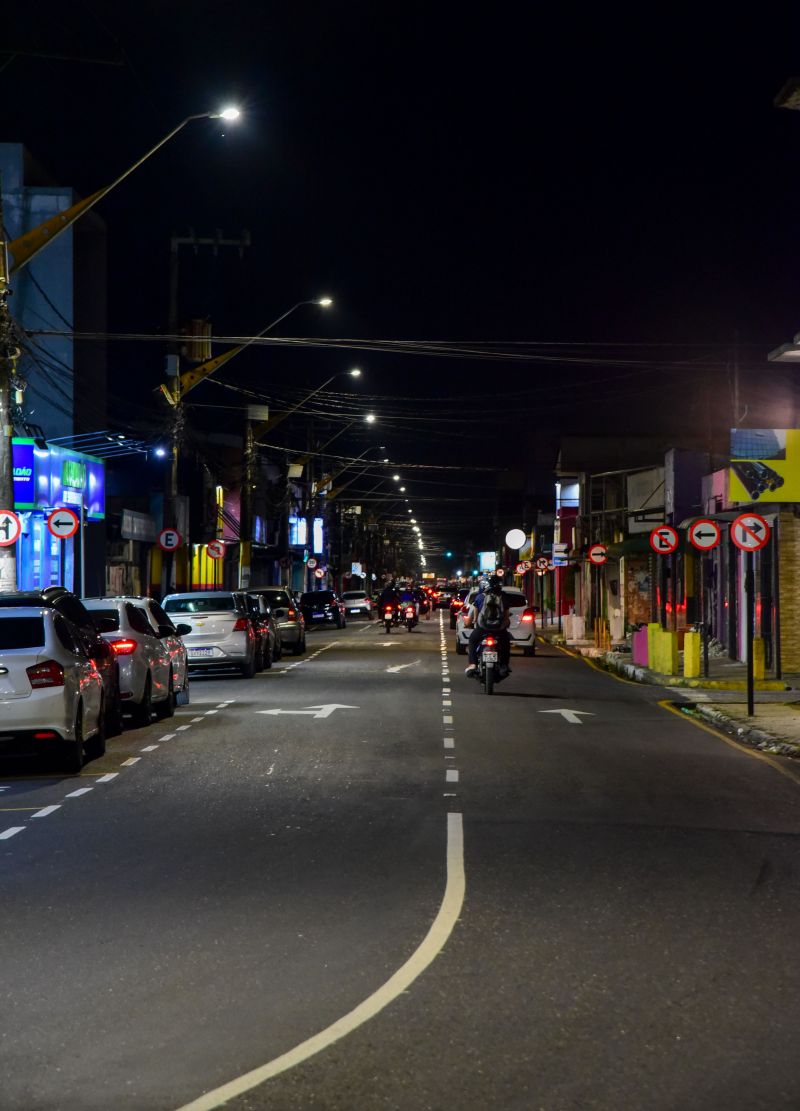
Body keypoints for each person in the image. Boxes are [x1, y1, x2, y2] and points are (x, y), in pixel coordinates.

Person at [463, 575, 511, 676]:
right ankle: (504, 665)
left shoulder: (481, 597)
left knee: (472, 640)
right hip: (499, 629)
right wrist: (506, 623)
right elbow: (506, 616)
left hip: (483, 628)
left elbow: (475, 613)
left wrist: (474, 621)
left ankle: (473, 664)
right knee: (506, 642)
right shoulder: (504, 596)